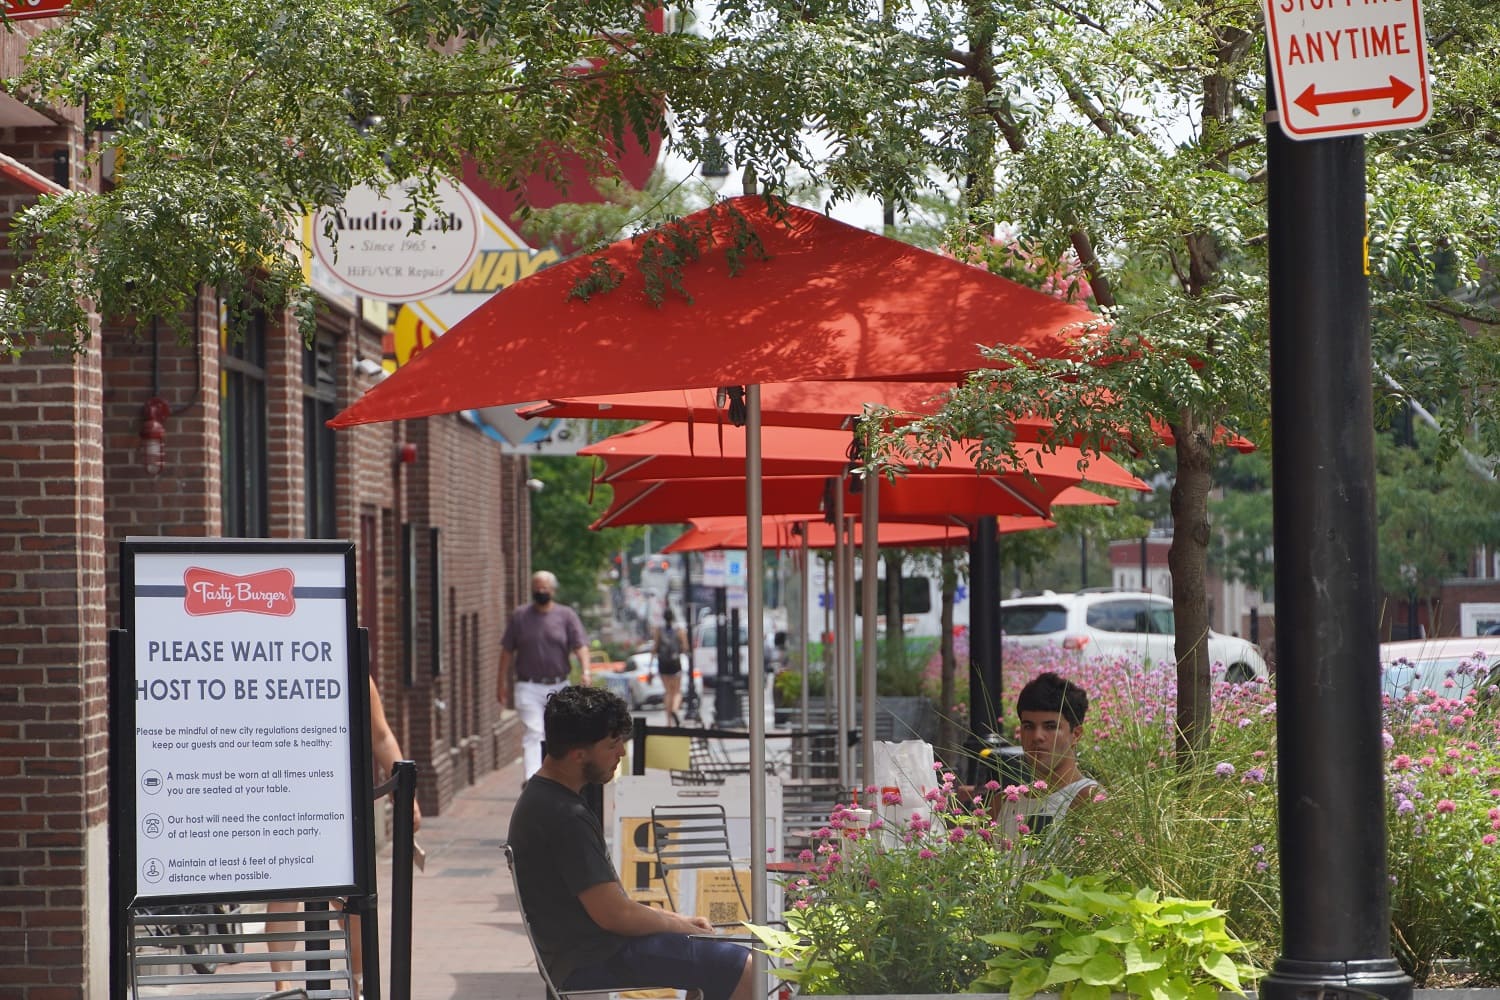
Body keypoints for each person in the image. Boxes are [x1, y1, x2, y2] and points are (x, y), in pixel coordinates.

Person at [508, 686, 755, 1000]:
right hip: (594, 957)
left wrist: (679, 921)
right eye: (612, 745)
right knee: (743, 967)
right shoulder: (563, 815)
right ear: (578, 753)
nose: (621, 754)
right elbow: (614, 915)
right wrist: (679, 927)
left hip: (585, 951)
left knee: (711, 961)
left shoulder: (544, 797)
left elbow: (613, 909)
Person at [268, 676, 420, 994]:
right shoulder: (274, 665)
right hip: (284, 794)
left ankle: (359, 982)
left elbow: (380, 735)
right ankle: (282, 986)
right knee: (283, 895)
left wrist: (406, 797)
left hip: (339, 800)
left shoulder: (353, 671)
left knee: (351, 901)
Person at [499, 570, 592, 781]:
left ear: (553, 590)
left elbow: (581, 646)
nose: (541, 591)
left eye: (545, 588)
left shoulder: (566, 616)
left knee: (559, 732)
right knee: (535, 731)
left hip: (559, 684)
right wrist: (501, 684)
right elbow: (506, 651)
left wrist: (586, 672)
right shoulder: (520, 616)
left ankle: (560, 777)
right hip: (528, 685)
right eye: (537, 587)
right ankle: (533, 779)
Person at [992, 671, 1100, 839]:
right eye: (1028, 726)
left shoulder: (1090, 800)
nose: (1037, 736)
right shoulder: (1002, 803)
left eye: (1050, 727)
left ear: (1076, 734)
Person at [653, 609, 689, 725]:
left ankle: (668, 721)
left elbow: (655, 648)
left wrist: (650, 666)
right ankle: (674, 709)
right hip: (675, 663)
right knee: (677, 691)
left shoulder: (659, 630)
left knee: (668, 692)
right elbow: (685, 647)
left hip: (663, 663)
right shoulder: (679, 630)